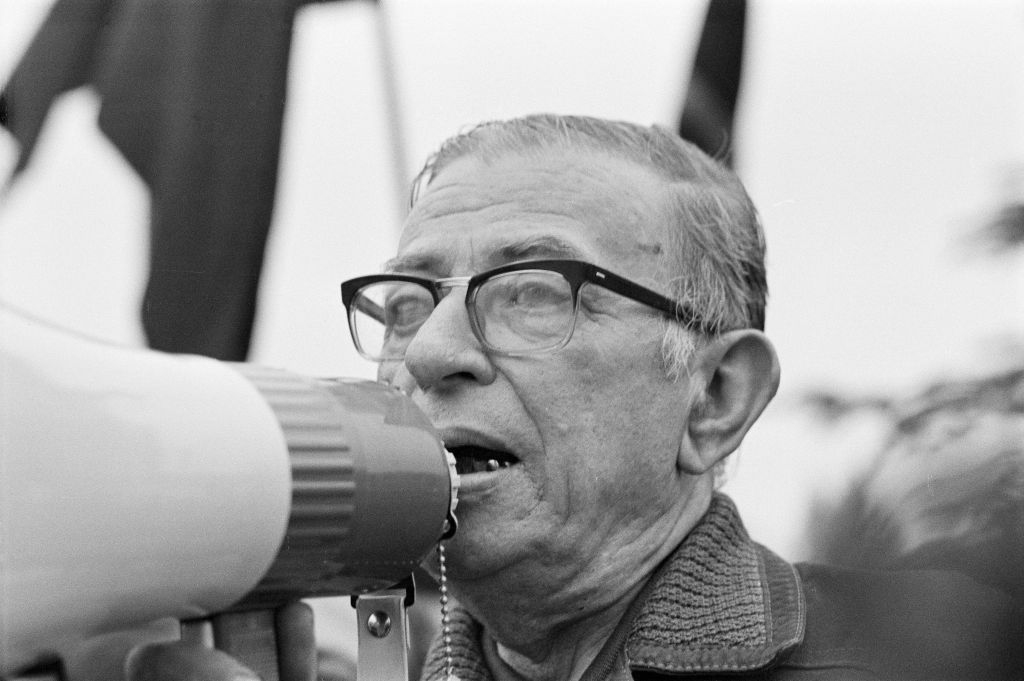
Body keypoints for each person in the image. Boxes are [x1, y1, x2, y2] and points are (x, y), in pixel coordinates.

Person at [128, 114, 1023, 681]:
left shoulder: (957, 653)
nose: (433, 352)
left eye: (532, 291)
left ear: (715, 397)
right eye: (406, 303)